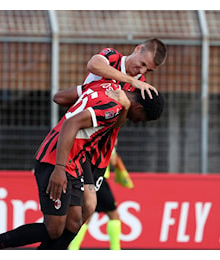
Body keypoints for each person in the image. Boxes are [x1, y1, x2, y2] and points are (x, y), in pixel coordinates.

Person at [0, 78, 165, 250]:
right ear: (138, 108)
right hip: (56, 160)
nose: (138, 122)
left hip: (75, 162)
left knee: (75, 221)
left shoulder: (108, 85)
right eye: (141, 119)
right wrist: (59, 170)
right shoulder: (112, 109)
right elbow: (71, 124)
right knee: (54, 229)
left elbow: (61, 97)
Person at [50, 38, 167, 249]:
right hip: (82, 146)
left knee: (83, 212)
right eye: (141, 64)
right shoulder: (112, 59)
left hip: (101, 153)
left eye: (147, 69)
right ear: (137, 49)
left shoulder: (136, 83)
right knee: (82, 208)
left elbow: (116, 124)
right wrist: (130, 82)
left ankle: (62, 247)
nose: (140, 71)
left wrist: (123, 107)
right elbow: (93, 65)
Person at [68, 142, 131, 250]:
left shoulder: (88, 138)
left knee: (87, 216)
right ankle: (115, 250)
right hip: (99, 181)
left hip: (85, 180)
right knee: (113, 215)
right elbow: (113, 161)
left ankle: (73, 248)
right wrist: (114, 149)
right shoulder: (107, 139)